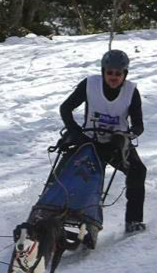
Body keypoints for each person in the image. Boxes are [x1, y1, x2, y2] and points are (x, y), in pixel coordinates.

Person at [59, 49, 147, 233]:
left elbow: (139, 125)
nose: (113, 77)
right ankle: (50, 213)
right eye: (109, 72)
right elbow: (65, 108)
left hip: (117, 146)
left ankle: (133, 221)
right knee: (65, 172)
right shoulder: (89, 84)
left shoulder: (132, 92)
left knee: (138, 171)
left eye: (118, 73)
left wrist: (126, 137)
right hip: (89, 142)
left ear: (125, 74)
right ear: (103, 72)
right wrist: (75, 133)